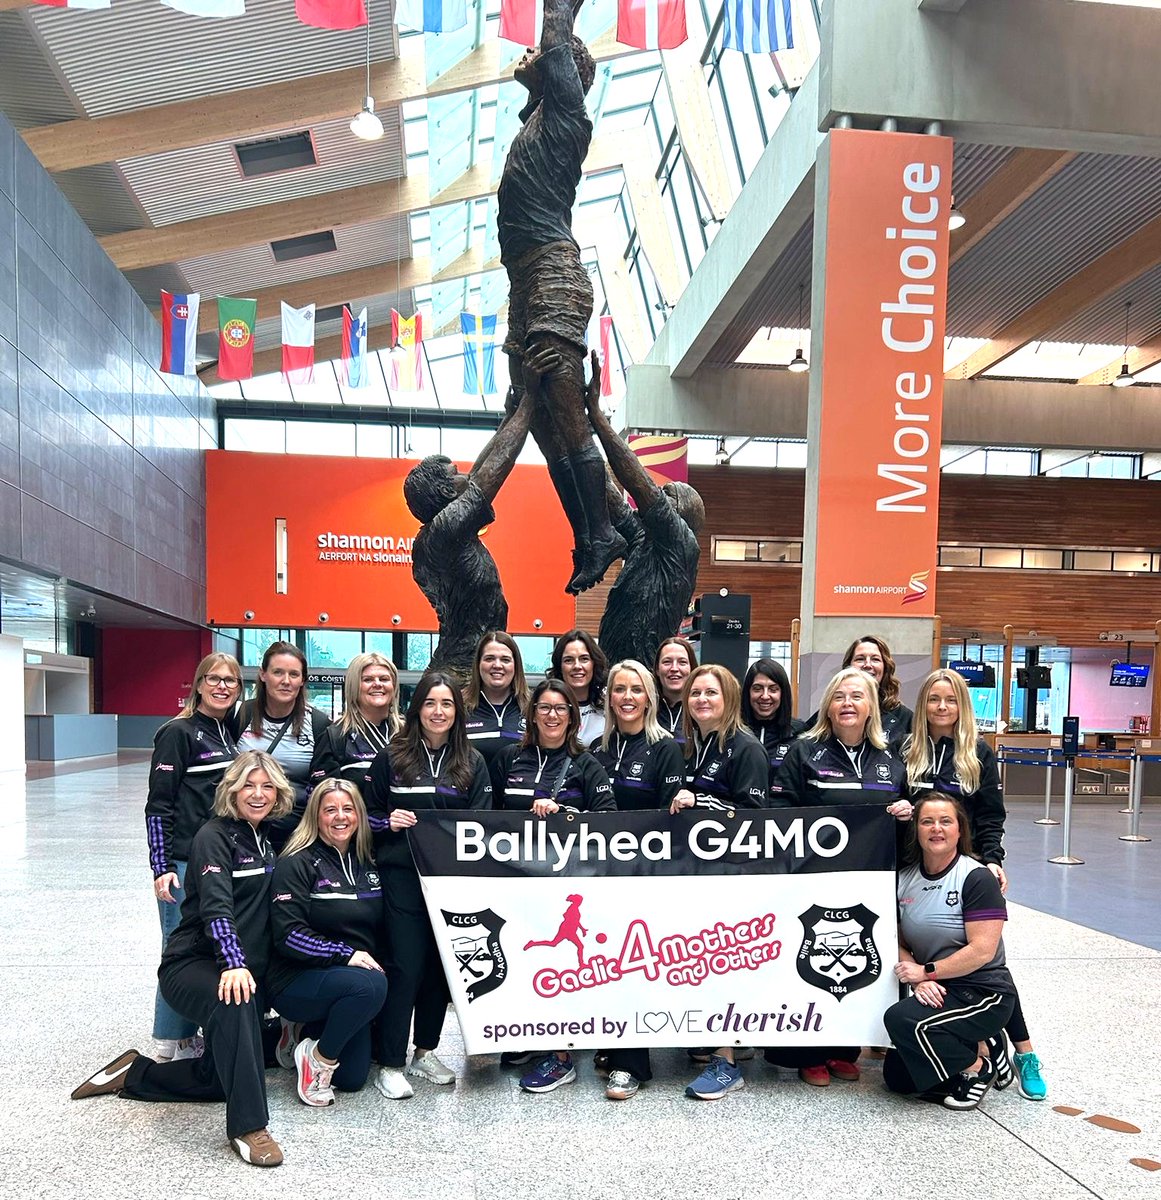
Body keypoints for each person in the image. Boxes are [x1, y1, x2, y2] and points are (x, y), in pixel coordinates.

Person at [74, 751, 294, 1167]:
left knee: (216, 1080)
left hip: (239, 966)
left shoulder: (270, 835)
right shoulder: (212, 836)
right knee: (237, 998)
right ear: (231, 789)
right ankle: (250, 1128)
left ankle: (133, 1073)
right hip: (193, 961)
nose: (258, 793)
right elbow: (216, 908)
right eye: (248, 784)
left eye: (267, 786)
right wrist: (232, 962)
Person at [498, 0, 626, 594]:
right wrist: (533, 79)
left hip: (553, 275)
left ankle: (602, 531)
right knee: (539, 418)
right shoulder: (540, 118)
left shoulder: (570, 121)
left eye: (547, 65)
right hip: (523, 282)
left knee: (566, 410)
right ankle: (596, 529)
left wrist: (560, 10)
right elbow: (537, 74)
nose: (534, 61)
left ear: (564, 75)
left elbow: (553, 46)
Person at [902, 668, 1047, 1100]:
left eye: (950, 700)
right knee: (926, 946)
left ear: (961, 705)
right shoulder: (907, 749)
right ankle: (979, 1042)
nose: (942, 707)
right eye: (933, 699)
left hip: (963, 863)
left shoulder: (977, 752)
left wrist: (992, 860)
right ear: (923, 705)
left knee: (987, 958)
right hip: (913, 862)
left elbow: (990, 813)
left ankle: (1025, 1052)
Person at [767, 667, 911, 1088]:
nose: (848, 704)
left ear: (871, 707)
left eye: (857, 696)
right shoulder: (804, 753)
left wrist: (906, 812)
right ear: (828, 706)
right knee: (809, 962)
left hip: (871, 886)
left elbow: (907, 817)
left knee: (859, 963)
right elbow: (781, 815)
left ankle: (843, 1048)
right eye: (839, 697)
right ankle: (807, 1053)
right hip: (812, 883)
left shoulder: (891, 759)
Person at [366, 673, 493, 1099]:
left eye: (447, 704)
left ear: (457, 712)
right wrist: (387, 822)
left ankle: (425, 1050)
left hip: (449, 882)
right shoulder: (392, 757)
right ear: (416, 708)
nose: (438, 712)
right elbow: (362, 813)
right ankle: (390, 1061)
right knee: (405, 965)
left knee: (441, 968)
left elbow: (484, 825)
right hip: (401, 876)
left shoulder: (472, 762)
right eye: (430, 703)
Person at [404, 348, 558, 677]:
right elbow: (492, 473)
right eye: (453, 474)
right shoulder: (446, 530)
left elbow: (478, 475)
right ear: (443, 492)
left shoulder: (437, 535)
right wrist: (529, 403)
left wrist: (510, 417)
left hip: (468, 663)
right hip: (464, 671)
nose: (464, 477)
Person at [494, 677, 614, 1093]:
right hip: (515, 883)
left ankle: (561, 1057)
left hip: (565, 884)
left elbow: (611, 821)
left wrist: (564, 812)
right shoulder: (510, 757)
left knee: (561, 967)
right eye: (544, 707)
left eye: (560, 708)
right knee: (524, 963)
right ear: (532, 714)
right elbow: (486, 814)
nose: (551, 715)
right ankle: (529, 1037)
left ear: (573, 718)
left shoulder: (586, 762)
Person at [667, 664, 767, 1101]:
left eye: (711, 693)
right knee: (701, 963)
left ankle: (726, 1060)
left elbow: (755, 818)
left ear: (728, 698)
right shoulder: (690, 746)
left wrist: (702, 800)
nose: (701, 700)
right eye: (694, 694)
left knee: (724, 962)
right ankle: (711, 1037)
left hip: (733, 876)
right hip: (693, 876)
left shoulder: (745, 748)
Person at [884, 793, 1016, 1111]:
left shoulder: (976, 878)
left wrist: (928, 971)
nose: (936, 829)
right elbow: (894, 939)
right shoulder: (905, 879)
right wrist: (918, 977)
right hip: (939, 987)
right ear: (916, 829)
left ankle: (977, 1069)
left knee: (903, 1020)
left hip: (983, 991)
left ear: (960, 830)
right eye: (927, 821)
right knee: (898, 1078)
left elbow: (982, 951)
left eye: (946, 821)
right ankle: (983, 1045)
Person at [590, 659, 684, 1100]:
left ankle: (631, 1065)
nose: (627, 697)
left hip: (647, 877)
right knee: (604, 965)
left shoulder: (665, 748)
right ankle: (610, 1044)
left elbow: (668, 818)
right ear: (608, 696)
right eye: (619, 689)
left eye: (636, 689)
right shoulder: (597, 748)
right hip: (602, 877)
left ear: (650, 696)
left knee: (632, 967)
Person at [267, 778, 387, 1107]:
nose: (340, 817)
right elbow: (288, 936)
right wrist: (345, 953)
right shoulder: (296, 862)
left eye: (348, 809)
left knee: (352, 1079)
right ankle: (318, 1060)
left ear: (359, 815)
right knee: (372, 985)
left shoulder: (370, 863)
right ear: (315, 817)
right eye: (330, 809)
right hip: (296, 978)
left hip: (346, 982)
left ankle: (298, 1037)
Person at [145, 651, 241, 1061]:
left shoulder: (225, 731)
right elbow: (158, 806)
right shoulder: (177, 733)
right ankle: (173, 1039)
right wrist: (161, 866)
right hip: (183, 862)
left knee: (202, 945)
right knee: (178, 948)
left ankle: (185, 1032)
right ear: (199, 684)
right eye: (214, 679)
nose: (222, 686)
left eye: (230, 681)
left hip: (216, 855)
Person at [582, 361, 704, 668]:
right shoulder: (643, 542)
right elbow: (608, 495)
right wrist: (579, 436)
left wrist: (598, 418)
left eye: (668, 494)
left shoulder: (680, 542)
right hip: (614, 672)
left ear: (679, 516)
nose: (659, 494)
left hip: (645, 676)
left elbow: (637, 482)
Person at [237, 640, 329, 849]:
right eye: (278, 672)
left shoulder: (318, 723)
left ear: (302, 680)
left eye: (294, 674)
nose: (286, 681)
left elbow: (321, 784)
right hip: (244, 832)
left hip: (296, 835)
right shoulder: (241, 715)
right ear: (263, 674)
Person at [309, 652, 401, 794]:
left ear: (394, 686)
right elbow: (325, 797)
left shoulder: (409, 733)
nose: (377, 684)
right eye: (367, 679)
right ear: (354, 686)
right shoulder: (336, 736)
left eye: (384, 679)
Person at [462, 631, 529, 789]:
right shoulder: (458, 705)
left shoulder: (533, 708)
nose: (497, 665)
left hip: (519, 805)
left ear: (516, 665)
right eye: (489, 658)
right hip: (470, 803)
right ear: (478, 664)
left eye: (505, 659)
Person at [740, 657, 805, 793]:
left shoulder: (800, 732)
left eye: (773, 689)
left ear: (783, 693)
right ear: (747, 692)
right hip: (742, 811)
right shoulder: (734, 731)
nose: (765, 696)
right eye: (757, 689)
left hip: (784, 811)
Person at [843, 635, 914, 745]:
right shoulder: (835, 711)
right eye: (860, 659)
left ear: (885, 667)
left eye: (875, 659)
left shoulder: (903, 717)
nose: (867, 665)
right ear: (848, 666)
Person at [551, 628, 607, 746]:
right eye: (568, 660)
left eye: (584, 659)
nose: (577, 666)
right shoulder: (548, 708)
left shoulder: (608, 706)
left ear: (594, 663)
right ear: (559, 667)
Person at [654, 636, 697, 740]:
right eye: (667, 662)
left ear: (692, 669)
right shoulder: (645, 710)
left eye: (682, 662)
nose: (674, 668)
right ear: (657, 670)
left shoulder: (701, 709)